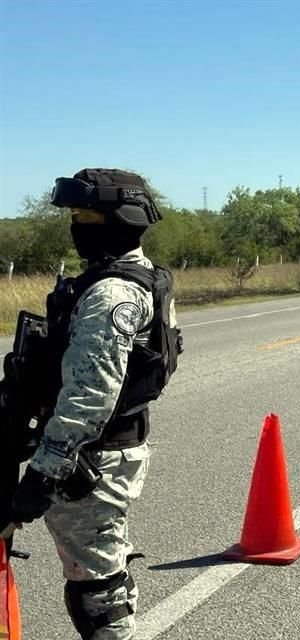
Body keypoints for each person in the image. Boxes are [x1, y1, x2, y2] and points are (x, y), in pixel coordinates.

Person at [4, 168, 182, 640]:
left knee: (97, 593)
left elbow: (89, 396)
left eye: (83, 215)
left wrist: (41, 475)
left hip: (88, 460)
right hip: (94, 453)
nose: (74, 225)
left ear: (116, 220)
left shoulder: (112, 292)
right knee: (97, 577)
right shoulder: (121, 279)